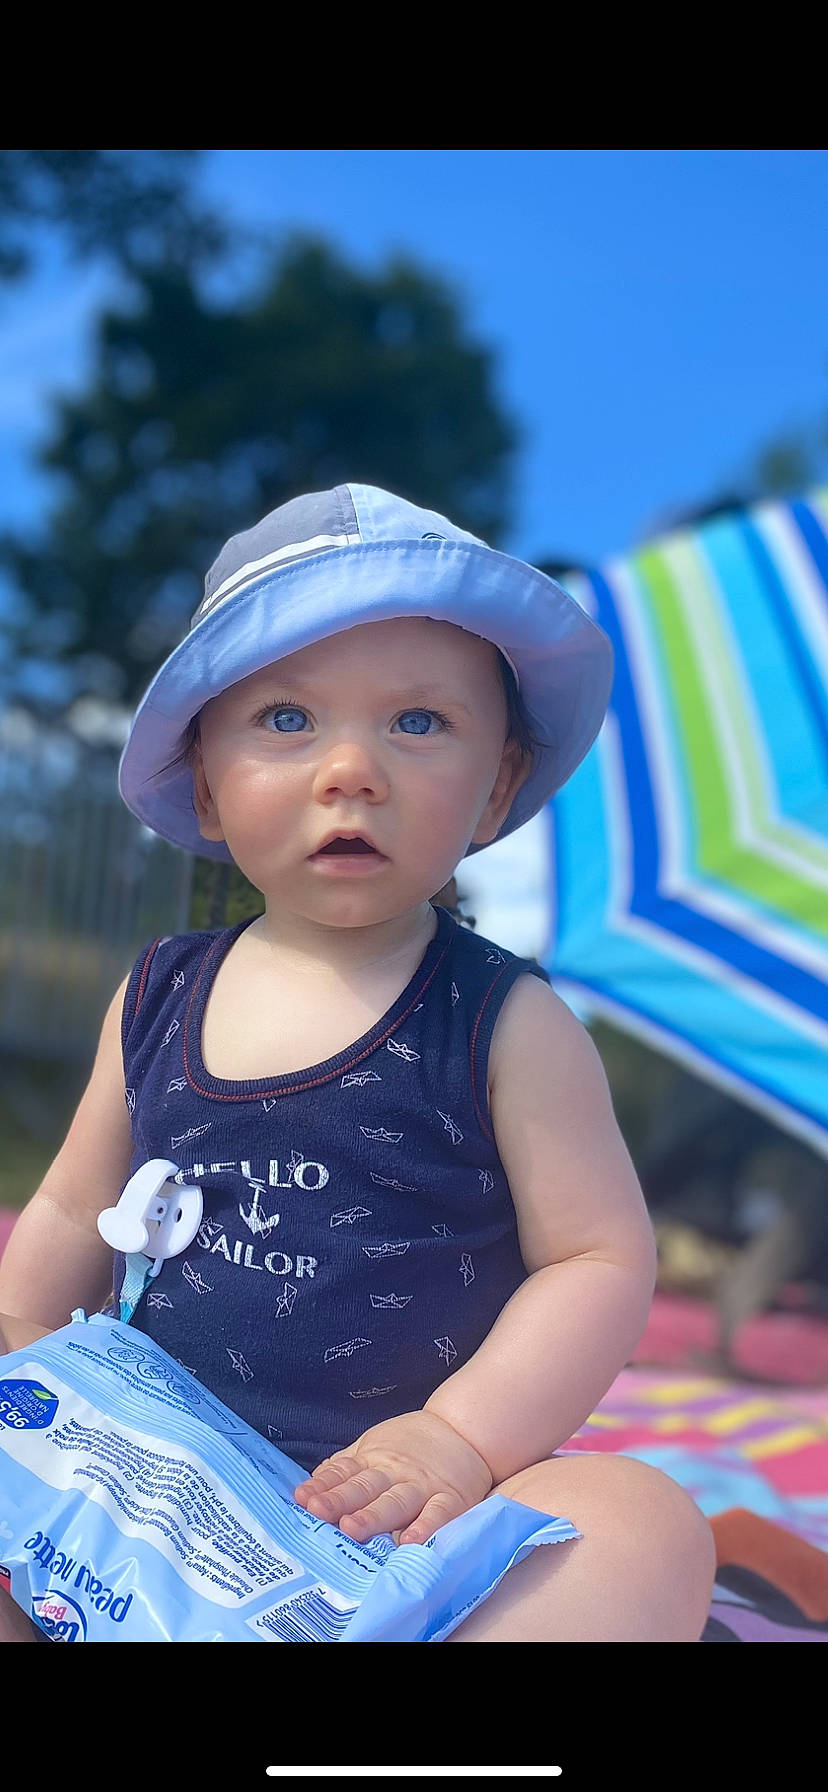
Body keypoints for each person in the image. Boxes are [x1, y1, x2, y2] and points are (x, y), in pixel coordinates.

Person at [0, 483, 715, 1642]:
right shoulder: (158, 993)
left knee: (641, 1525)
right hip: (145, 1487)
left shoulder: (503, 1021)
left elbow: (595, 1255)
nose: (351, 769)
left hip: (392, 1523)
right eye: (286, 719)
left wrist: (464, 1437)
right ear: (205, 782)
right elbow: (77, 1199)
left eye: (418, 723)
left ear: (495, 785)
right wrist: (23, 1349)